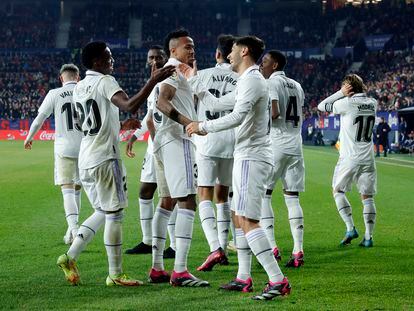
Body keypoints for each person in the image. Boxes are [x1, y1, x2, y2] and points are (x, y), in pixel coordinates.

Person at [56, 41, 176, 286]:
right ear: (97, 62)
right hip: (105, 157)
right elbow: (129, 105)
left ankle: (70, 257)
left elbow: (88, 121)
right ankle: (115, 273)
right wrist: (152, 81)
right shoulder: (105, 81)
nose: (112, 60)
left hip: (86, 157)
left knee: (102, 210)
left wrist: (119, 126)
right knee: (115, 214)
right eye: (108, 56)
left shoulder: (79, 87)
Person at [186, 36, 291, 301]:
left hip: (252, 157)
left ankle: (278, 280)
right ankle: (244, 277)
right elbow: (217, 105)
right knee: (237, 217)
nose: (228, 54)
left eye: (232, 50)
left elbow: (238, 116)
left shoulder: (254, 80)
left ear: (244, 51)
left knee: (248, 220)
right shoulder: (248, 80)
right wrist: (197, 83)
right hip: (245, 155)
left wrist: (203, 127)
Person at [148, 29, 209, 287]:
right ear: (173, 51)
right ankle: (180, 271)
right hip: (177, 141)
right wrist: (188, 123)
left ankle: (157, 267)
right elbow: (163, 102)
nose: (192, 50)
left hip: (161, 143)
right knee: (187, 201)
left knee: (166, 202)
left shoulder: (167, 71)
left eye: (193, 46)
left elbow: (152, 113)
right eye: (187, 47)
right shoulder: (172, 70)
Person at [124, 45, 176, 259]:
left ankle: (173, 245)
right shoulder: (153, 83)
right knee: (145, 191)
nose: (154, 60)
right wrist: (136, 136)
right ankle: (147, 240)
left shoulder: (169, 81)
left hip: (169, 143)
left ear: (166, 58)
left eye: (158, 57)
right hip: (154, 145)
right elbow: (150, 116)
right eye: (151, 57)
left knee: (170, 195)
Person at [194, 34, 239, 272]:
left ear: (217, 54)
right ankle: (223, 243)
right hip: (232, 141)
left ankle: (215, 247)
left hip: (207, 139)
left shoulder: (201, 75)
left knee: (204, 193)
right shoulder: (241, 78)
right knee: (224, 195)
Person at [24, 64, 83, 245]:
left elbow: (39, 119)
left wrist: (29, 137)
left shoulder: (54, 94)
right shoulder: (85, 90)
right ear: (78, 77)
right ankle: (70, 231)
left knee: (67, 190)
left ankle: (74, 231)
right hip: (85, 147)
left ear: (61, 78)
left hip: (64, 148)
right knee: (77, 190)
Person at [318, 74, 377, 248]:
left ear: (348, 88)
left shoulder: (346, 103)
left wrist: (340, 93)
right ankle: (368, 237)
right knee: (367, 197)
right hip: (368, 158)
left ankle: (350, 228)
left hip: (350, 157)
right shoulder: (373, 103)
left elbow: (322, 106)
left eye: (344, 86)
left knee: (337, 191)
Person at [259, 50, 305, 268]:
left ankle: (272, 246)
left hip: (276, 144)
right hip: (296, 145)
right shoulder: (297, 85)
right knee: (292, 197)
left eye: (265, 62)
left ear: (275, 64)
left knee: (264, 195)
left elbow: (275, 113)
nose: (261, 65)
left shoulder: (271, 83)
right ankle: (297, 250)